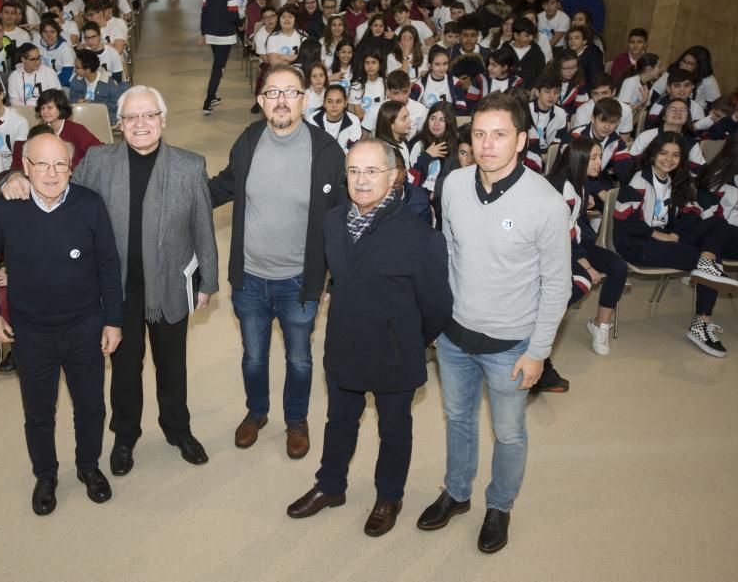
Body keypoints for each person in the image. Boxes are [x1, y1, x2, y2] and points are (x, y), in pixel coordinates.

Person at [0, 85, 220, 474]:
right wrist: (14, 176)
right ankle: (126, 435)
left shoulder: (189, 165)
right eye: (131, 117)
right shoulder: (99, 162)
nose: (140, 124)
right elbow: (54, 182)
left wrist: (208, 281)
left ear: (163, 120)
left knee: (173, 366)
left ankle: (177, 428)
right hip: (116, 292)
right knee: (124, 369)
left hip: (169, 284)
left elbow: (203, 226)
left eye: (149, 115)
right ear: (119, 124)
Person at [416, 93, 571, 554]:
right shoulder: (455, 184)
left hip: (510, 345)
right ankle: (458, 492)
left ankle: (499, 505)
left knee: (509, 432)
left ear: (521, 140)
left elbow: (557, 286)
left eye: (499, 134)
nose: (487, 144)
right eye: (479, 134)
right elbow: (447, 252)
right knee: (458, 417)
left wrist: (539, 352)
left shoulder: (546, 204)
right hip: (454, 336)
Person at [286, 138, 451, 536]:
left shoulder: (420, 237)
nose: (361, 180)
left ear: (395, 177)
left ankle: (388, 496)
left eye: (372, 171)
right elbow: (335, 279)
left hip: (396, 352)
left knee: (394, 430)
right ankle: (330, 486)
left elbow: (437, 307)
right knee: (339, 420)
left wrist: (408, 337)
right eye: (354, 171)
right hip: (344, 343)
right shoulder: (332, 222)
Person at [0, 133, 122, 515]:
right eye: (42, 164)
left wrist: (113, 321)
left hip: (85, 326)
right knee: (39, 412)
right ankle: (46, 475)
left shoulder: (89, 204)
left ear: (71, 167)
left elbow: (108, 264)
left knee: (91, 407)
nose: (52, 173)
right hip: (32, 331)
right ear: (25, 167)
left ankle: (89, 467)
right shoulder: (6, 209)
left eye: (61, 164)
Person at [210, 65, 347, 459]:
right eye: (273, 93)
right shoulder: (249, 141)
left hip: (299, 282)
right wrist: (180, 195)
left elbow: (339, 223)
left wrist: (335, 282)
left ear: (305, 99)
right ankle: (256, 412)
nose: (282, 100)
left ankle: (296, 421)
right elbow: (223, 186)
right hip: (250, 277)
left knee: (300, 358)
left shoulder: (326, 152)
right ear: (261, 100)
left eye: (291, 92)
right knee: (253, 355)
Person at [613, 132, 738, 357]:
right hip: (638, 244)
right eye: (663, 153)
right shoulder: (639, 179)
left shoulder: (679, 181)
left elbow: (692, 213)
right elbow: (622, 218)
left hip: (667, 238)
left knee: (717, 225)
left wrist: (676, 234)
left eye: (675, 155)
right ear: (653, 154)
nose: (669, 159)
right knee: (711, 260)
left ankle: (707, 268)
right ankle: (701, 323)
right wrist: (656, 234)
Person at [198, 0, 241, 115]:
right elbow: (233, 15)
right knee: (219, 67)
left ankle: (213, 95)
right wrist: (240, 24)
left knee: (218, 63)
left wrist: (203, 32)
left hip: (212, 35)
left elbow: (204, 12)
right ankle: (208, 99)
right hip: (225, 36)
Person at [8, 43, 62, 107]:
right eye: (33, 59)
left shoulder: (49, 72)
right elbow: (14, 101)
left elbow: (57, 97)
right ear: (23, 59)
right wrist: (29, 109)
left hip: (46, 110)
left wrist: (41, 108)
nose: (38, 62)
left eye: (39, 58)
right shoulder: (14, 76)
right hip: (23, 112)